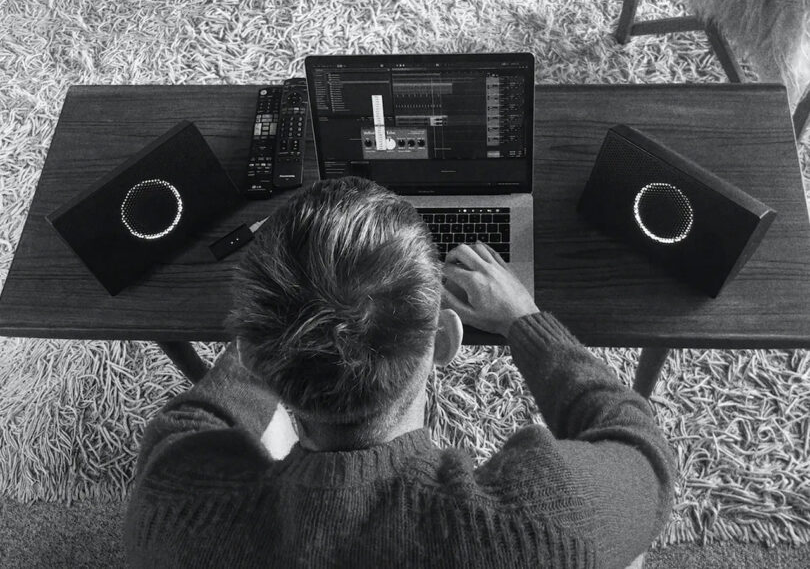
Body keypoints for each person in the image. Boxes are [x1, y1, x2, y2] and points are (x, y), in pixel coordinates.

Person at [124, 176, 675, 568]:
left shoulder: (172, 509)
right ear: (445, 341)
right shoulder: (551, 522)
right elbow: (640, 444)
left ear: (251, 358)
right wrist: (524, 321)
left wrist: (274, 332)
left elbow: (190, 419)